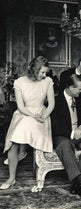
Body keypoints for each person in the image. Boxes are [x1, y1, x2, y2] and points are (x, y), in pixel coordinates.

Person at [0, 56, 55, 190]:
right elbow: (21, 107)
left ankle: (22, 152)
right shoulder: (20, 82)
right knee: (13, 139)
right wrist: (33, 115)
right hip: (24, 113)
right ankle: (12, 177)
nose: (44, 75)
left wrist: (43, 116)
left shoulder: (47, 81)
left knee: (19, 131)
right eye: (42, 72)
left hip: (41, 115)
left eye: (45, 72)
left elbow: (51, 104)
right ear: (34, 70)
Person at [51, 74, 81, 197]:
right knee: (65, 144)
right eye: (79, 89)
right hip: (62, 136)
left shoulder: (80, 99)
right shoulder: (55, 101)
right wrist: (72, 133)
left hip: (79, 134)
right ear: (71, 88)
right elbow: (54, 126)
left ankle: (78, 180)